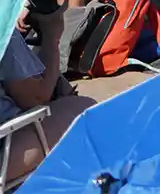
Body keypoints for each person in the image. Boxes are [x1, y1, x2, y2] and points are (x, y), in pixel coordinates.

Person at [1, 21, 95, 185]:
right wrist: (52, 37)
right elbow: (35, 98)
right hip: (5, 151)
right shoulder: (4, 26)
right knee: (87, 110)